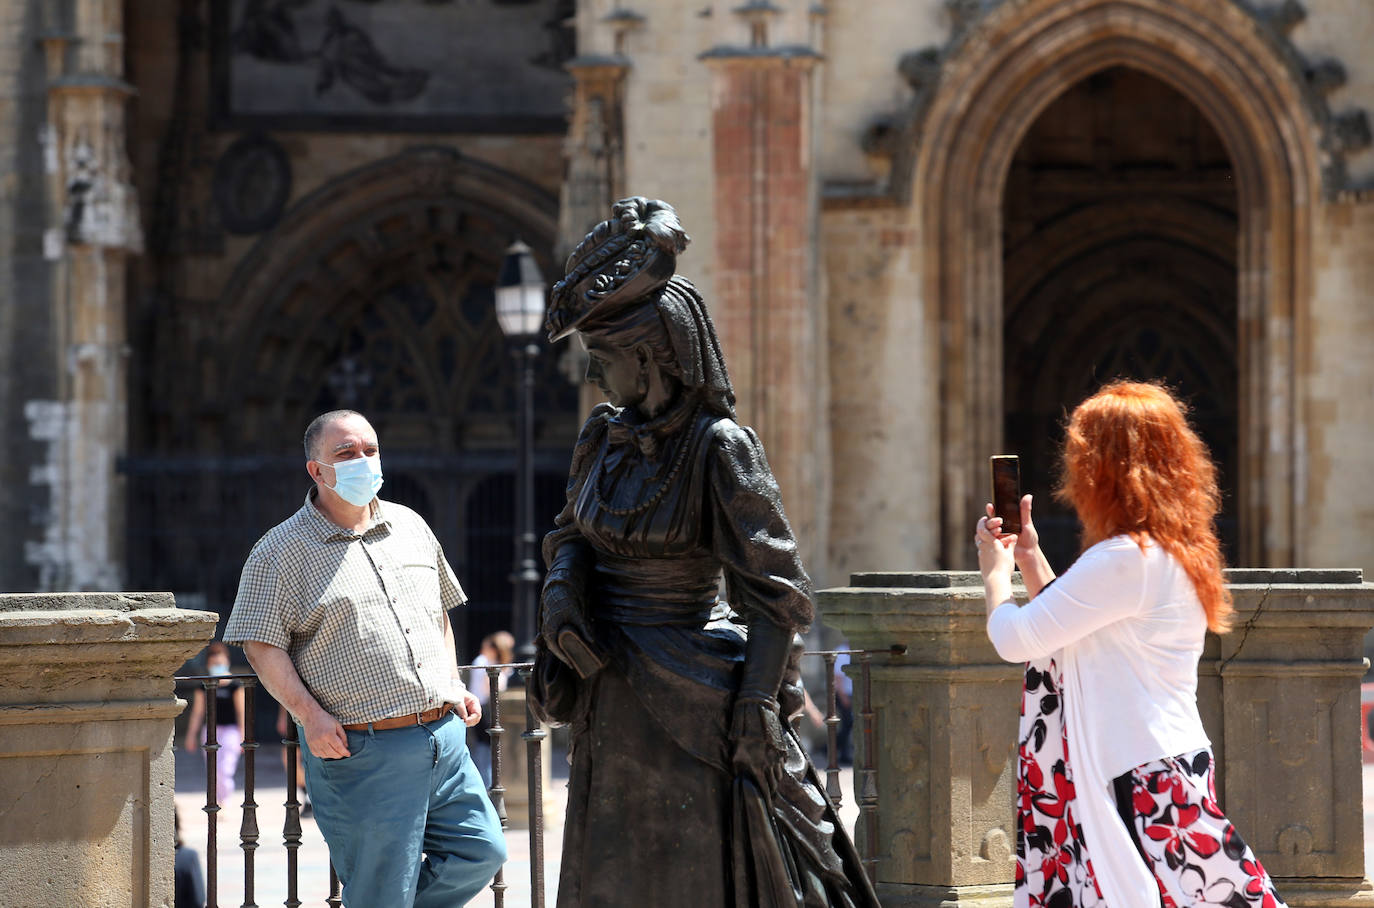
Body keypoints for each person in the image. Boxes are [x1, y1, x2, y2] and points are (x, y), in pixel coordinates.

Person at [534, 197, 879, 907]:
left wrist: (756, 705)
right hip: (611, 689)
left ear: (647, 356)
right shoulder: (601, 436)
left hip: (697, 694)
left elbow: (780, 593)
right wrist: (563, 596)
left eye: (601, 360)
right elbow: (571, 533)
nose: (595, 378)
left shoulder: (721, 448)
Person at [975, 380, 1287, 908]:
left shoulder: (1124, 558)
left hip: (1135, 773)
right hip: (1163, 760)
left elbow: (1016, 637)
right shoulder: (1171, 551)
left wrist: (994, 573)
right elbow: (1077, 625)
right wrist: (1028, 558)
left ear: (1103, 469)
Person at [223, 409, 506, 908]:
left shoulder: (411, 525)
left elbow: (438, 613)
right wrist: (309, 716)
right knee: (381, 890)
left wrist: (451, 681)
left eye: (369, 450)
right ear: (316, 470)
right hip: (363, 750)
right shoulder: (279, 551)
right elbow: (260, 644)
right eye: (346, 453)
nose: (362, 461)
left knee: (481, 851)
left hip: (444, 737)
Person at [183, 641, 246, 806]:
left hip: (231, 731)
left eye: (220, 661)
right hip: (210, 731)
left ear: (227, 661)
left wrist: (244, 734)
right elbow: (198, 712)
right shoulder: (204, 685)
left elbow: (242, 711)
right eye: (214, 662)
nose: (217, 664)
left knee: (225, 769)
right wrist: (191, 735)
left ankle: (225, 800)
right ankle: (217, 800)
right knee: (213, 769)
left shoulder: (235, 685)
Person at [467, 630, 515, 785]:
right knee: (484, 750)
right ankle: (487, 785)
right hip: (483, 707)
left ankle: (488, 784)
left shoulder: (493, 663)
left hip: (490, 708)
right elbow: (490, 688)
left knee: (488, 749)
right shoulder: (483, 661)